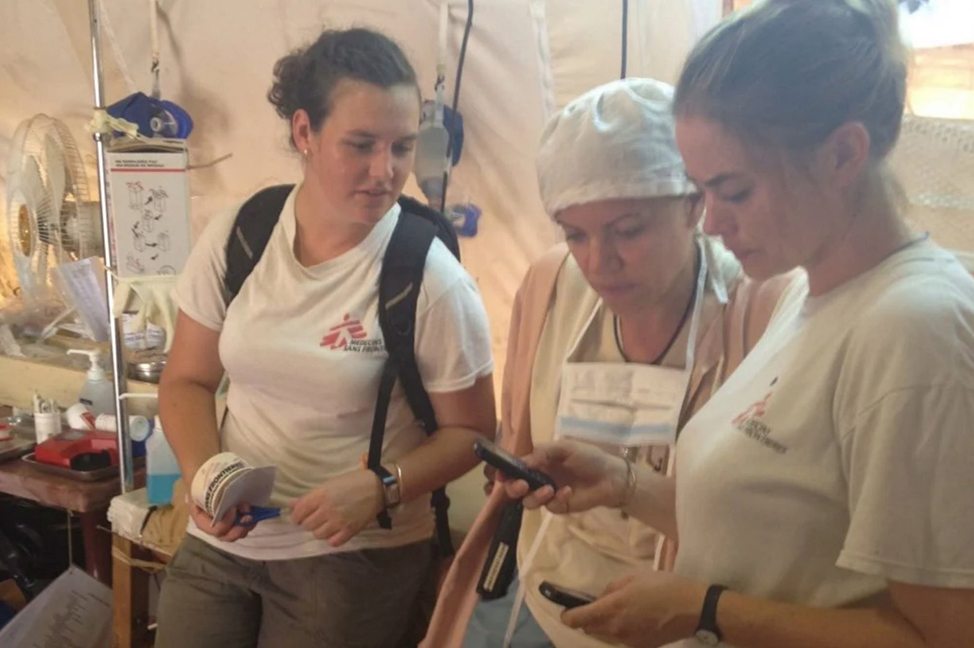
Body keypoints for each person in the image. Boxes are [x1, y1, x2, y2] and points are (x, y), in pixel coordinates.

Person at [502, 1, 974, 647]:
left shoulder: (914, 332)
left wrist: (705, 610)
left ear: (842, 155)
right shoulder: (810, 294)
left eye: (735, 191)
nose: (713, 223)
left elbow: (948, 635)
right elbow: (771, 535)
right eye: (701, 192)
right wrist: (624, 483)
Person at [154, 27, 496, 648]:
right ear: (304, 132)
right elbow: (187, 380)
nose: (385, 171)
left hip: (353, 556)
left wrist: (383, 486)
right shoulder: (242, 235)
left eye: (402, 147)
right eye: (361, 145)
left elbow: (473, 433)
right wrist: (204, 475)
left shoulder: (429, 278)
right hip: (225, 541)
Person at [422, 78, 793, 648]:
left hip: (675, 620)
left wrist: (629, 484)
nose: (599, 262)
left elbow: (764, 529)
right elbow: (521, 434)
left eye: (628, 231)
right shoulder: (552, 283)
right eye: (575, 234)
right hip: (541, 590)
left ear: (694, 204)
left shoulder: (757, 312)